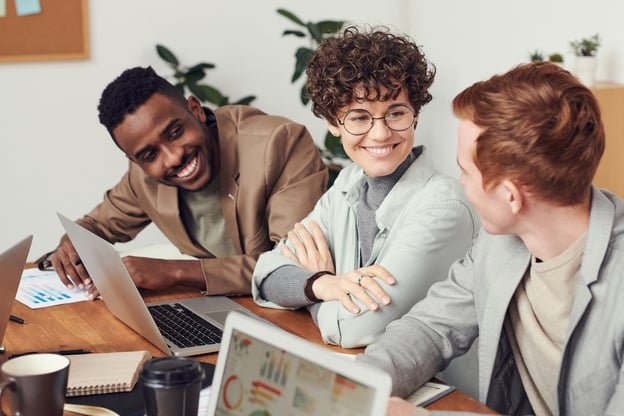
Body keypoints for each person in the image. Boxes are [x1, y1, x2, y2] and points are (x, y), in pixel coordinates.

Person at [358, 61, 624, 416]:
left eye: (465, 171)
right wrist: (350, 387)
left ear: (511, 196)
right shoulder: (499, 241)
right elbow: (429, 328)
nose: (461, 183)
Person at [251, 26, 478, 348]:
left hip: (438, 391)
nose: (381, 134)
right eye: (359, 118)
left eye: (396, 113)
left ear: (415, 115)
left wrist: (308, 290)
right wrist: (322, 284)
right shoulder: (349, 182)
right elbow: (266, 274)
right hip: (360, 372)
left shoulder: (444, 209)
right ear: (332, 123)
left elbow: (356, 328)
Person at [37, 66, 328, 300]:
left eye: (175, 132)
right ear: (134, 159)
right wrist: (71, 244)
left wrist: (176, 272)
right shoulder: (143, 176)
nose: (173, 157)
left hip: (294, 311)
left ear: (196, 110)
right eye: (149, 155)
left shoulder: (280, 143)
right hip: (225, 306)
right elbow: (97, 226)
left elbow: (290, 266)